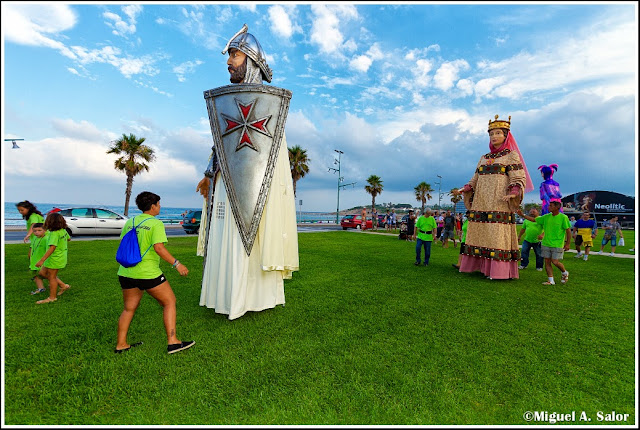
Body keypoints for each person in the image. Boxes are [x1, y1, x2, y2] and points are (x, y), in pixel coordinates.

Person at [196, 24, 299, 320]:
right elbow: (222, 145)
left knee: (255, 239)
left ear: (252, 61)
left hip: (258, 189)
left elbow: (269, 153)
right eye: (229, 56)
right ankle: (227, 296)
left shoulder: (269, 108)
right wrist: (208, 172)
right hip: (227, 186)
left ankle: (253, 298)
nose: (229, 62)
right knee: (228, 238)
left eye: (235, 55)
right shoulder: (228, 103)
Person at [453, 115, 534, 279]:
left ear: (506, 135)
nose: (494, 137)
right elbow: (475, 178)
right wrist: (465, 188)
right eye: (491, 134)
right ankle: (480, 267)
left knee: (496, 235)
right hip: (481, 201)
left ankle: (498, 271)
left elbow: (518, 176)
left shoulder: (511, 155)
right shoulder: (484, 158)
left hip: (499, 201)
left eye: (498, 133)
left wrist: (514, 192)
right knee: (480, 233)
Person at [116, 191, 194, 354]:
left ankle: (121, 344)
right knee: (169, 302)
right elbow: (158, 248)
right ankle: (173, 342)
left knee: (129, 308)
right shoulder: (156, 224)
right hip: (148, 273)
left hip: (126, 272)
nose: (160, 206)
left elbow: (124, 243)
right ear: (153, 206)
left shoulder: (131, 221)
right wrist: (177, 263)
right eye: (158, 204)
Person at [517, 201, 571, 285]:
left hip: (557, 244)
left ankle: (564, 272)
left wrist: (567, 243)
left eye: (551, 206)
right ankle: (551, 280)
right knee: (547, 262)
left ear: (557, 207)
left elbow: (568, 231)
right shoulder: (546, 217)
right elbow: (534, 220)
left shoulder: (563, 217)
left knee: (555, 262)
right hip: (546, 243)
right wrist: (522, 215)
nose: (549, 207)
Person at [34, 213, 71, 304]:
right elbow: (68, 239)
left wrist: (42, 260)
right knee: (42, 273)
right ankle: (63, 285)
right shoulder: (62, 231)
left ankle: (52, 297)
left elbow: (52, 248)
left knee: (52, 277)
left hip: (55, 258)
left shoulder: (54, 234)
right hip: (58, 256)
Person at [28, 223, 70, 295]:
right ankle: (42, 288)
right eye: (34, 231)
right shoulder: (35, 238)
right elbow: (32, 247)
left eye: (39, 230)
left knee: (48, 275)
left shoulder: (48, 237)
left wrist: (42, 260)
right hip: (35, 260)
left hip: (43, 260)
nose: (37, 232)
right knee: (38, 275)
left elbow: (51, 248)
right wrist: (30, 254)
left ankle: (60, 286)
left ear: (45, 230)